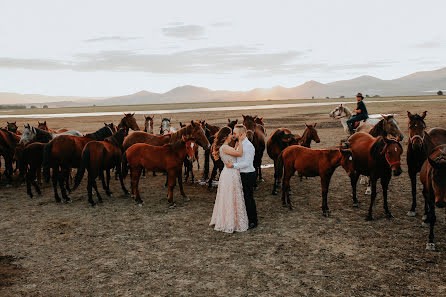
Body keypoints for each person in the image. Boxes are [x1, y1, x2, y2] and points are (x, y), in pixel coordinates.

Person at [209, 126, 249, 233]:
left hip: (230, 173)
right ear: (226, 136)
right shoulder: (225, 147)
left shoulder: (226, 147)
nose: (232, 136)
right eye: (231, 134)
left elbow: (235, 153)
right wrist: (240, 141)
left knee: (231, 196)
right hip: (230, 174)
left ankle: (232, 219)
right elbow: (239, 153)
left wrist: (236, 145)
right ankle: (230, 221)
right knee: (231, 196)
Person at [225, 124, 258, 229]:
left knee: (248, 198)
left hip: (248, 174)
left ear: (242, 134)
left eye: (235, 133)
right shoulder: (239, 144)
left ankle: (253, 220)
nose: (233, 135)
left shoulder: (248, 146)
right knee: (243, 198)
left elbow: (247, 163)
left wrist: (233, 166)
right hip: (241, 174)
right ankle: (246, 218)